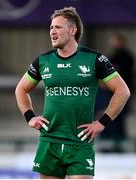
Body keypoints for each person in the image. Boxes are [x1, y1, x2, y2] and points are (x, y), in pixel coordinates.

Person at [15, 7, 130, 179]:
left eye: (58, 27)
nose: (52, 31)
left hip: (80, 144)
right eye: (51, 27)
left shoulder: (95, 59)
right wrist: (30, 116)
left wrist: (102, 123)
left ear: (73, 30)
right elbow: (21, 89)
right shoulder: (43, 61)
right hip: (49, 142)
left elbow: (123, 91)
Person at [97, 33, 134, 143]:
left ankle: (119, 142)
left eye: (115, 41)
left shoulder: (127, 57)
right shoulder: (112, 56)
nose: (113, 44)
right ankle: (110, 141)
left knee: (119, 117)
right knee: (109, 116)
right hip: (110, 93)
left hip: (121, 91)